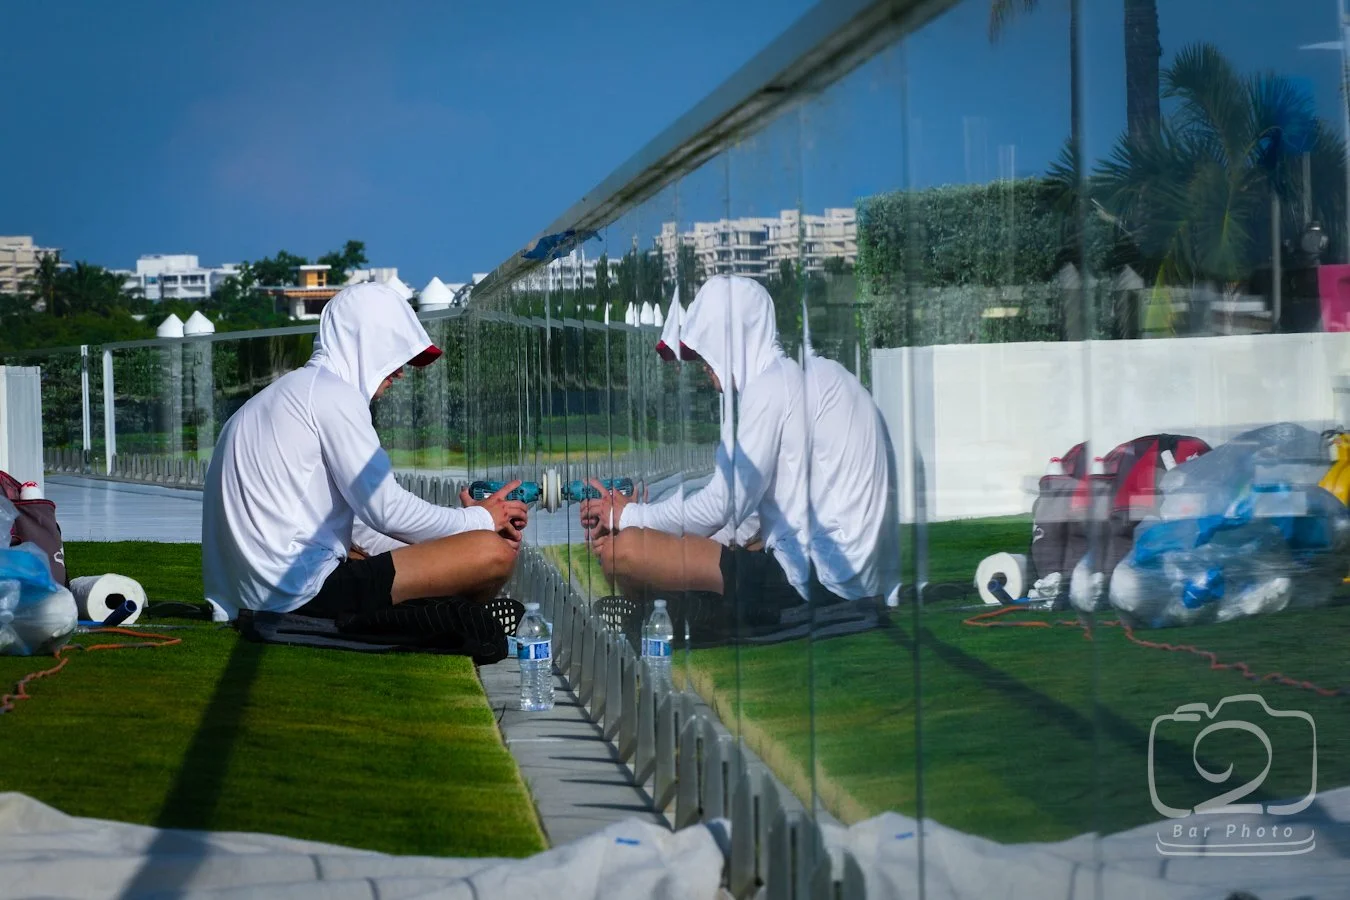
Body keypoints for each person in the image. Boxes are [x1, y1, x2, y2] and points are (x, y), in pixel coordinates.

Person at [202, 282, 528, 647]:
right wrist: (481, 522)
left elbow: (358, 528)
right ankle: (442, 616)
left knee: (446, 547)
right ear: (368, 344)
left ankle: (433, 609)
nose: (401, 372)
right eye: (396, 356)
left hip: (249, 594)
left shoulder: (284, 394)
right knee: (493, 553)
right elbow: (386, 510)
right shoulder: (333, 395)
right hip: (294, 594)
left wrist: (455, 536)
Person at [580, 274, 900, 645]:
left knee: (624, 553)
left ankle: (674, 614)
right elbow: (745, 520)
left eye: (705, 347)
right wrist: (653, 529)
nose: (701, 362)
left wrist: (628, 517)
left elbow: (721, 506)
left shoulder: (770, 387)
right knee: (651, 543)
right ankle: (682, 609)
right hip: (854, 576)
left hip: (817, 581)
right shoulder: (808, 376)